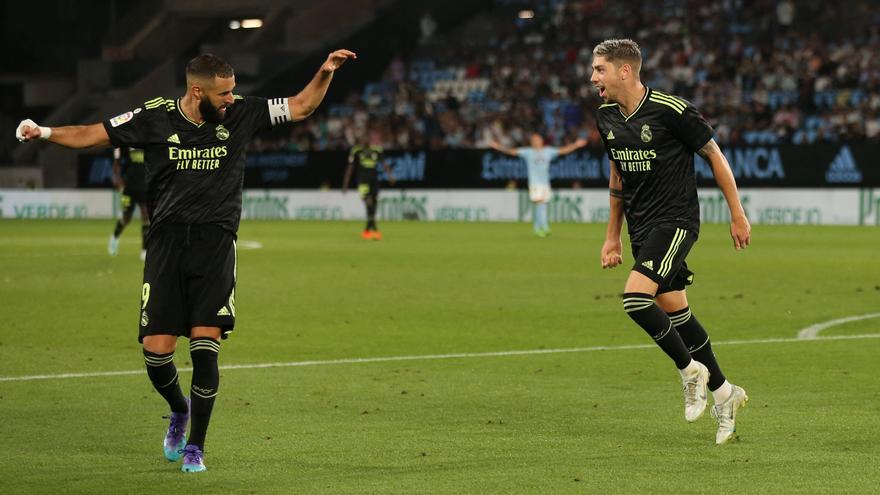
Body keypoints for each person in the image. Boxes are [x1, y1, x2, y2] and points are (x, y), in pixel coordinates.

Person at [16, 49, 356, 471]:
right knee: (156, 353)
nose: (232, 99)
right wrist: (43, 131)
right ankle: (179, 410)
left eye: (233, 91)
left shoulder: (242, 113)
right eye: (224, 93)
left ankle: (196, 445)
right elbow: (92, 134)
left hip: (215, 244)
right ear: (198, 91)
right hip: (166, 244)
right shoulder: (154, 116)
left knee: (204, 347)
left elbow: (302, 106)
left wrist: (324, 73)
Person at [591, 39, 751, 445]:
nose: (594, 78)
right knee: (676, 311)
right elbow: (617, 176)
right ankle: (725, 394)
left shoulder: (672, 110)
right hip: (641, 227)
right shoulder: (606, 116)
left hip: (677, 221)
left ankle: (689, 370)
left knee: (634, 299)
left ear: (624, 70)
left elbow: (715, 155)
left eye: (600, 70)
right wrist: (612, 236)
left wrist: (737, 212)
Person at [490, 133, 587, 237]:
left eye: (538, 139)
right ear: (531, 142)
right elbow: (511, 152)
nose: (536, 141)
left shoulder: (548, 151)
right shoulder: (528, 152)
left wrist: (576, 145)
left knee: (541, 205)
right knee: (540, 204)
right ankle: (545, 227)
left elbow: (563, 151)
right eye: (534, 140)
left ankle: (536, 228)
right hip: (534, 183)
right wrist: (498, 147)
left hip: (545, 183)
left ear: (541, 141)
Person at [342, 132, 395, 240]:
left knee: (374, 204)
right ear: (361, 140)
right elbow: (350, 167)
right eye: (363, 139)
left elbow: (384, 164)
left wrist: (390, 176)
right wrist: (345, 183)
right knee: (369, 203)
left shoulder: (377, 150)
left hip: (374, 181)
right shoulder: (356, 151)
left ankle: (367, 230)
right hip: (362, 181)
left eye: (367, 138)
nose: (365, 141)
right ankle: (374, 229)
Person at [108, 147, 150, 260]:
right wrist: (117, 178)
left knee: (146, 216)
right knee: (126, 218)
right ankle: (115, 238)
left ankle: (144, 250)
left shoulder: (148, 140)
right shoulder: (127, 142)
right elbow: (117, 162)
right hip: (129, 186)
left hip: (145, 185)